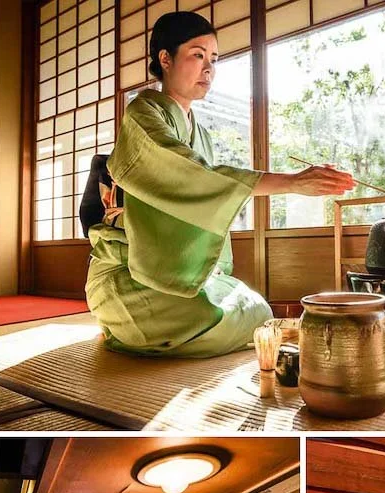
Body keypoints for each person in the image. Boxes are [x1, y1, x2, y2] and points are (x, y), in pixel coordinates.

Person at [86, 11, 355, 358]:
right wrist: (291, 182)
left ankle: (163, 329)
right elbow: (192, 176)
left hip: (175, 274)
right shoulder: (142, 113)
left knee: (258, 309)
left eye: (213, 59)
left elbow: (208, 194)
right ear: (165, 59)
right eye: (197, 55)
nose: (208, 68)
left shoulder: (202, 135)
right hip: (129, 272)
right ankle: (121, 326)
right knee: (210, 317)